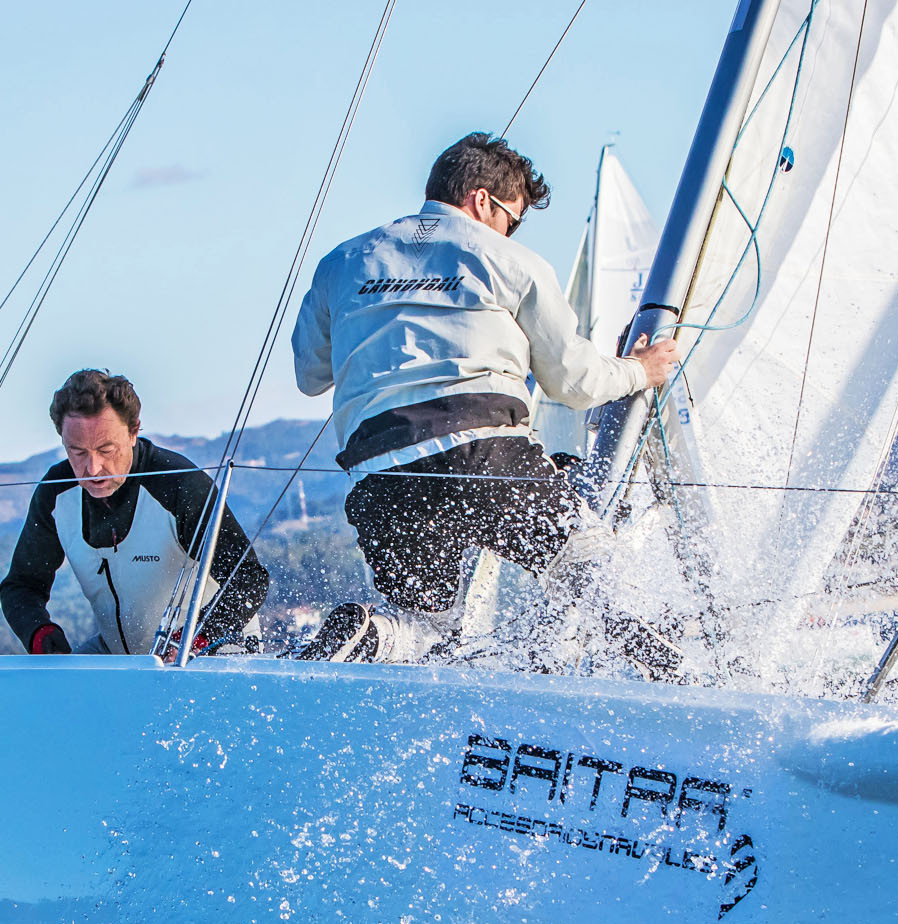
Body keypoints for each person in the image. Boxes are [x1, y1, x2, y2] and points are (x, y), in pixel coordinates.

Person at [289, 131, 679, 664]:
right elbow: (574, 383)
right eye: (512, 219)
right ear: (480, 200)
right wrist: (639, 369)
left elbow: (310, 376)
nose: (512, 231)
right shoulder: (510, 262)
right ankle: (673, 668)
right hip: (482, 454)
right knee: (584, 567)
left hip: (381, 472)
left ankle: (372, 634)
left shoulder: (341, 262)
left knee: (423, 627)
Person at [0, 368, 271, 658]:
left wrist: (196, 637)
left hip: (212, 647)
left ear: (133, 432)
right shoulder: (56, 493)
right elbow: (21, 586)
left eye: (106, 449)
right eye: (78, 452)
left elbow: (248, 577)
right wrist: (40, 633)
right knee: (49, 697)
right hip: (121, 656)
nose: (92, 469)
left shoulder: (179, 484)